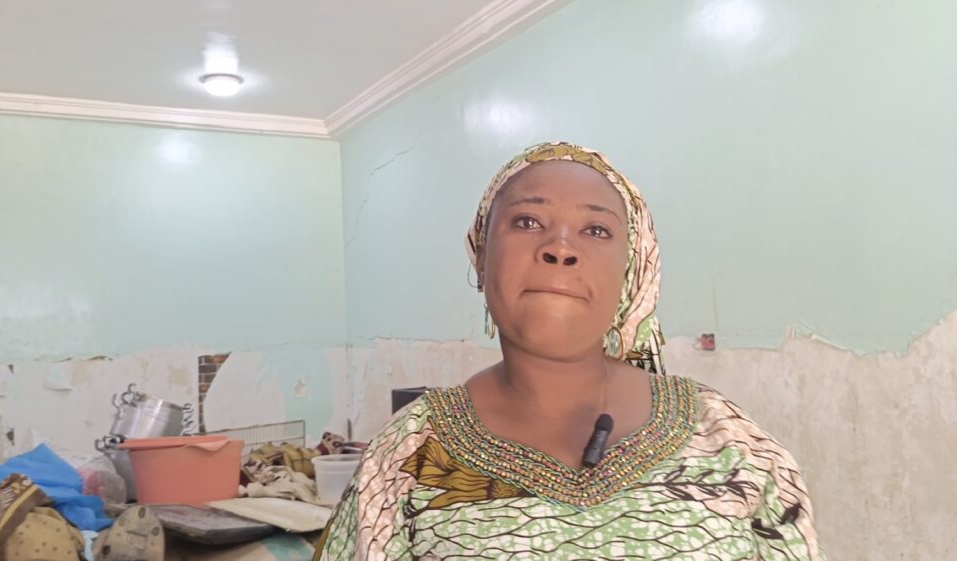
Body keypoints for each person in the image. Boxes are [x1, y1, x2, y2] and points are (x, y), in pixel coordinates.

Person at [313, 142, 824, 560]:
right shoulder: (404, 455)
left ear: (632, 272)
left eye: (596, 230)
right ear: (481, 255)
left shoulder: (729, 441)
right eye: (528, 222)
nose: (560, 247)